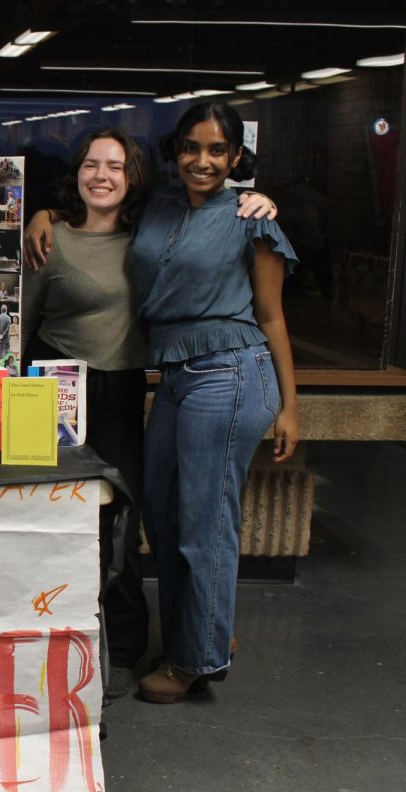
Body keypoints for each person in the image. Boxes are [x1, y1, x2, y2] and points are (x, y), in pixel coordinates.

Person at [133, 104, 298, 703]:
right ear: (176, 151)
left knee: (206, 523)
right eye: (191, 147)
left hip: (231, 371)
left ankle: (195, 659)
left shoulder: (254, 219)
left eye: (217, 150)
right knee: (163, 513)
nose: (202, 161)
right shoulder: (158, 207)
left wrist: (290, 406)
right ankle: (202, 632)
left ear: (236, 158)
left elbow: (273, 316)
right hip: (175, 375)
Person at [20, 128, 152, 698]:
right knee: (43, 517)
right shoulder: (50, 240)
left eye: (115, 166)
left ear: (133, 178)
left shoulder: (151, 239)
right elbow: (21, 329)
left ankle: (120, 649)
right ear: (76, 173)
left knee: (116, 523)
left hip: (119, 392)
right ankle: (39, 634)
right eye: (91, 164)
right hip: (48, 388)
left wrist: (257, 201)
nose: (102, 175)